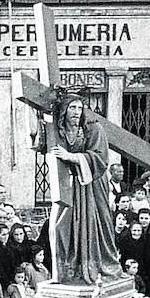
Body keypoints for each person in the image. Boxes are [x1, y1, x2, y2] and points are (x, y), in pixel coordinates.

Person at [34, 94, 122, 285]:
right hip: (70, 187)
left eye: (79, 108)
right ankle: (69, 269)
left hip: (92, 184)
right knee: (61, 226)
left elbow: (101, 159)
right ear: (64, 110)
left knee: (98, 223)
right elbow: (41, 146)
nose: (76, 112)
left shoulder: (93, 128)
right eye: (72, 108)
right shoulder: (58, 130)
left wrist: (71, 157)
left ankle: (96, 263)